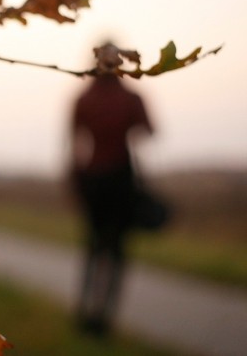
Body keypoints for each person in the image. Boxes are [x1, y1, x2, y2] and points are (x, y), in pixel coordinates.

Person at [69, 42, 154, 335]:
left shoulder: (84, 98)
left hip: (92, 179)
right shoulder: (130, 98)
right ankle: (103, 318)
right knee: (116, 251)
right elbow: (149, 131)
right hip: (121, 178)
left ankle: (85, 313)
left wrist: (76, 183)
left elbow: (74, 146)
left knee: (93, 247)